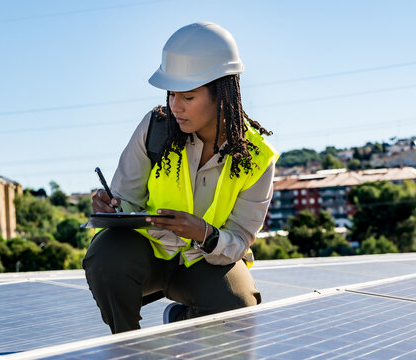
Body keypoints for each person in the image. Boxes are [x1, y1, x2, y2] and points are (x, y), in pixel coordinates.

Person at [84, 22, 278, 334]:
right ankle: (128, 346)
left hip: (206, 259)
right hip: (149, 253)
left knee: (240, 305)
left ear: (222, 93)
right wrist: (111, 208)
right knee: (105, 256)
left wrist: (204, 233)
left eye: (187, 96)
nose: (175, 106)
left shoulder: (257, 157)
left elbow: (240, 240)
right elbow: (127, 200)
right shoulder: (155, 127)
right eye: (172, 93)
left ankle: (183, 321)